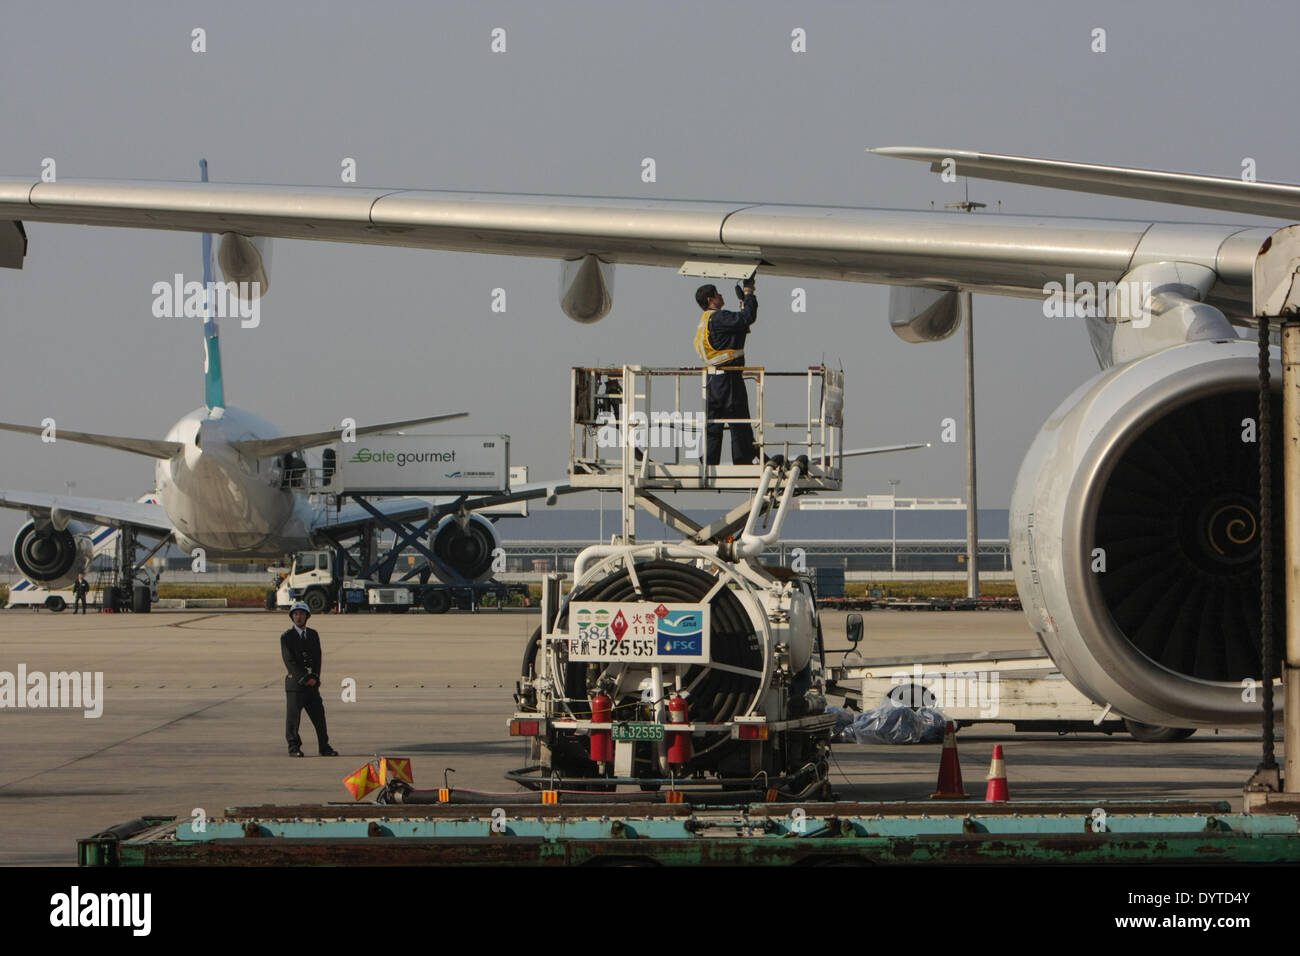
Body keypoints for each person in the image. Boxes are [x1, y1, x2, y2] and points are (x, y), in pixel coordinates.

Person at [694, 279, 758, 465]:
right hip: (729, 377)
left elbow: (736, 327)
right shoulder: (719, 317)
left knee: (714, 423)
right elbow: (747, 318)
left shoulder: (705, 320)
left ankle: (709, 460)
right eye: (718, 293)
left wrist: (743, 306)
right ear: (710, 299)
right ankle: (743, 459)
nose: (721, 296)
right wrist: (749, 293)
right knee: (738, 419)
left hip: (713, 379)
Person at [280, 600, 338, 757]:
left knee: (319, 717)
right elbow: (289, 661)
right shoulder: (287, 637)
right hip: (296, 686)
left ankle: (324, 747)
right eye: (296, 614)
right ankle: (293, 747)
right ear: (292, 617)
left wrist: (316, 678)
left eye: (302, 614)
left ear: (307, 617)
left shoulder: (313, 634)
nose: (299, 617)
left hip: (312, 686)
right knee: (293, 720)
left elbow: (318, 658)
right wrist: (304, 678)